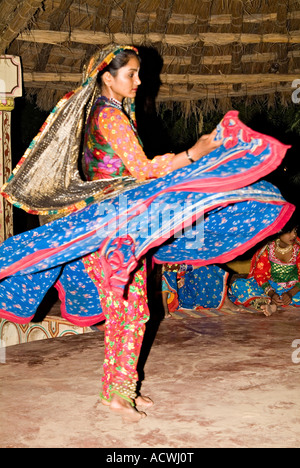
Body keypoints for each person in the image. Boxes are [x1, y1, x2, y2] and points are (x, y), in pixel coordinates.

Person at [0, 44, 294, 424]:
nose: (139, 81)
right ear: (107, 77)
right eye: (131, 74)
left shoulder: (108, 113)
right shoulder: (110, 117)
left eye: (139, 73)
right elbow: (140, 168)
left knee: (131, 307)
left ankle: (122, 388)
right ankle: (118, 391)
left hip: (119, 222)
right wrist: (192, 153)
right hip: (111, 225)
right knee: (128, 307)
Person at [229, 217, 300, 316]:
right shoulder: (268, 248)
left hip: (295, 288)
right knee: (238, 284)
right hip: (272, 286)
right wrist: (271, 293)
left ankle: (269, 303)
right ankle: (272, 303)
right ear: (278, 231)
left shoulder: (298, 248)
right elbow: (260, 275)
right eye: (289, 231)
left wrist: (290, 294)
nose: (294, 235)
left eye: (295, 230)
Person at [161, 263, 242, 317]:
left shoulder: (189, 240)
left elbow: (192, 257)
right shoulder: (161, 240)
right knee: (167, 272)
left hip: (185, 280)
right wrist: (177, 282)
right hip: (170, 288)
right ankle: (164, 308)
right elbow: (169, 266)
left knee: (208, 266)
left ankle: (224, 300)